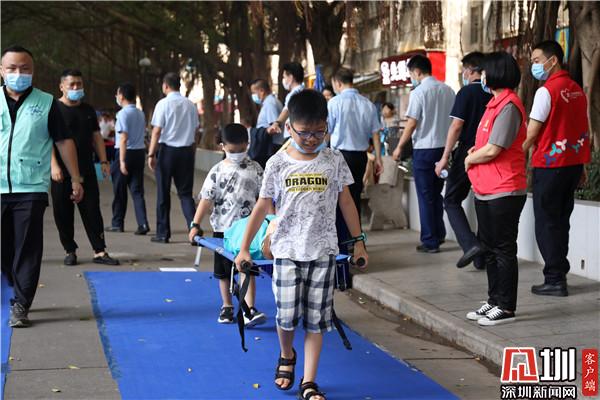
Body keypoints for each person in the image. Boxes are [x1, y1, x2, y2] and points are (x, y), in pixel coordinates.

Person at [234, 90, 368, 400]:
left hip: (323, 252)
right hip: (286, 252)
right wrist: (243, 248)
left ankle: (309, 382)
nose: (311, 139)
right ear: (288, 127)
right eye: (304, 132)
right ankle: (287, 354)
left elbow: (347, 202)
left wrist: (358, 242)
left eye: (319, 132)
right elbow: (262, 206)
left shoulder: (334, 159)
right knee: (285, 317)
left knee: (316, 322)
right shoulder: (277, 163)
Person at [1, 45, 84, 327]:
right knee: (5, 251)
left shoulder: (46, 103)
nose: (18, 73)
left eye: (24, 68)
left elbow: (63, 141)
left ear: (33, 71)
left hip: (31, 188)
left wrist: (75, 178)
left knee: (27, 248)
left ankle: (21, 304)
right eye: (12, 68)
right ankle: (13, 286)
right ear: (1, 71)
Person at [523, 40, 591, 297]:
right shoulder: (576, 89)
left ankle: (554, 279)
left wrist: (514, 155)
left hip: (550, 166)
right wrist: (583, 166)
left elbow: (532, 133)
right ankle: (558, 274)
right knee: (561, 222)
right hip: (572, 165)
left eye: (537, 61)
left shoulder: (546, 91)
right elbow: (580, 128)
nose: (534, 66)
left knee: (546, 223)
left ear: (552, 61)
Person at [464, 52, 527, 326]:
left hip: (505, 189)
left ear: (497, 73)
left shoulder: (509, 105)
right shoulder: (493, 104)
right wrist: (474, 152)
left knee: (503, 249)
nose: (482, 76)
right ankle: (493, 300)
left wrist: (469, 159)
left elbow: (494, 149)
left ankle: (506, 306)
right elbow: (485, 145)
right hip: (486, 188)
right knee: (489, 248)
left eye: (484, 72)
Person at [188, 123, 266, 326]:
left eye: (241, 149)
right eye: (232, 150)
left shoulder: (256, 169)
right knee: (223, 273)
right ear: (222, 146)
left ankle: (249, 309)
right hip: (222, 230)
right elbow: (206, 199)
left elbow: (265, 200)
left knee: (247, 269)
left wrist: (271, 222)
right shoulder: (217, 171)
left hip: (248, 231)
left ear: (247, 144)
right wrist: (195, 224)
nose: (237, 154)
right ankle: (227, 305)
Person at [50, 69, 118, 266]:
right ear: (61, 86)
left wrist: (104, 161)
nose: (75, 88)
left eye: (78, 84)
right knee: (63, 213)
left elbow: (96, 137)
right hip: (61, 173)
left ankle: (100, 250)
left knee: (92, 210)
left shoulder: (88, 110)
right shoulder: (53, 109)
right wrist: (54, 165)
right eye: (71, 84)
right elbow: (47, 140)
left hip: (86, 169)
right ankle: (70, 250)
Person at [392, 54, 455, 253]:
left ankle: (430, 241)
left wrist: (399, 146)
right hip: (444, 150)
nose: (412, 77)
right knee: (436, 194)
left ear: (417, 72)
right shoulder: (448, 90)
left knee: (425, 196)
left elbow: (412, 123)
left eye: (411, 74)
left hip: (424, 150)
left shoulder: (419, 93)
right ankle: (439, 233)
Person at [435, 52, 493, 268]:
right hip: (489, 152)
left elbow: (456, 126)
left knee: (451, 200)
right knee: (483, 202)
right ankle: (481, 258)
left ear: (469, 70)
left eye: (464, 71)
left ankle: (470, 245)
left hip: (467, 154)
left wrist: (444, 157)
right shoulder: (493, 92)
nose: (463, 74)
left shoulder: (466, 92)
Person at [147, 72, 199, 243]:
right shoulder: (190, 105)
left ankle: (163, 233)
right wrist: (192, 151)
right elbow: (195, 131)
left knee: (163, 192)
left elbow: (156, 131)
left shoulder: (163, 104)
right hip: (186, 152)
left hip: (167, 152)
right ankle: (194, 231)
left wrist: (151, 154)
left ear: (166, 86)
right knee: (185, 194)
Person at [328, 68, 383, 214]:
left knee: (339, 196)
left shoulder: (334, 103)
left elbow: (327, 131)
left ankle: (343, 228)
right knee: (355, 195)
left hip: (340, 156)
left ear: (338, 83)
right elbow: (376, 134)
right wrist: (378, 158)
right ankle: (356, 227)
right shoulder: (368, 104)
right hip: (360, 157)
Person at [106, 83, 149, 235]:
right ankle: (143, 223)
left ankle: (117, 223)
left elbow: (123, 138)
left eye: (117, 94)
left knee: (119, 190)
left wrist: (122, 161)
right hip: (139, 153)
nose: (116, 97)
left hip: (125, 153)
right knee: (137, 191)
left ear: (122, 96)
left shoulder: (122, 114)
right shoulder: (140, 113)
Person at [266, 62, 304, 145]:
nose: (284, 80)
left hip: (293, 135)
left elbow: (287, 110)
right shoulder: (304, 91)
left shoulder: (294, 94)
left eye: (284, 77)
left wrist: (277, 123)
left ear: (291, 77)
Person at [249, 78, 283, 166]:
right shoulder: (269, 102)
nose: (253, 95)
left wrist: (261, 132)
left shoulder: (270, 103)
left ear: (261, 91)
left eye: (254, 92)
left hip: (272, 146)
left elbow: (274, 127)